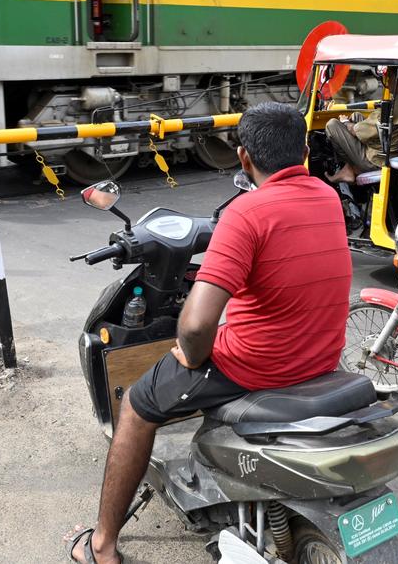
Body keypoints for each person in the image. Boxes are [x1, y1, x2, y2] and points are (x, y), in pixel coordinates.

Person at [63, 101, 352, 564]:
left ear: (243, 158)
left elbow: (197, 324)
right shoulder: (326, 197)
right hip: (321, 358)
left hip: (254, 367)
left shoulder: (247, 212)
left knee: (137, 405)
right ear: (301, 151)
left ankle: (103, 546)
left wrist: (190, 356)